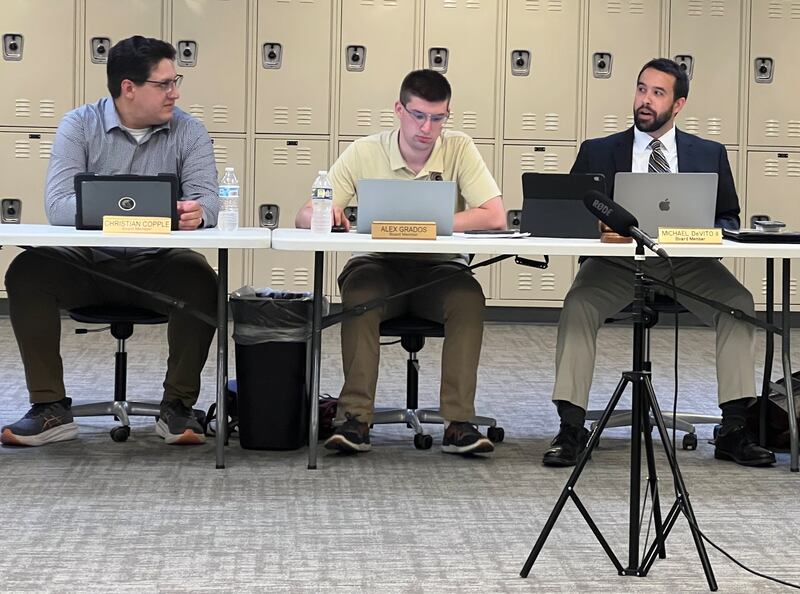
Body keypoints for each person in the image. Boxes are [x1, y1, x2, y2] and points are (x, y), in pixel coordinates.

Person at [542, 58, 775, 468]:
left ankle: (734, 429)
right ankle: (571, 427)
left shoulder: (708, 153)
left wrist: (703, 232)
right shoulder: (598, 151)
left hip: (684, 263)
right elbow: (570, 213)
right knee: (578, 305)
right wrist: (598, 226)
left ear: (678, 103)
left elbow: (729, 218)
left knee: (738, 304)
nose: (645, 100)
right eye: (641, 89)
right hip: (617, 262)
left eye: (657, 93)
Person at [0, 36, 219, 447]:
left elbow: (208, 199)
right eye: (164, 84)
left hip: (158, 265)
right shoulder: (78, 125)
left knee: (201, 279)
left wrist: (200, 213)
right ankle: (49, 408)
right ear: (128, 88)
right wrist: (140, 216)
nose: (176, 92)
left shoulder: (189, 130)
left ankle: (177, 408)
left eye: (177, 81)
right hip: (87, 264)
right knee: (27, 272)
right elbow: (59, 206)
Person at [295, 69, 506, 455]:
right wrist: (330, 216)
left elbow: (494, 215)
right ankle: (355, 419)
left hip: (440, 270)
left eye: (438, 118)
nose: (427, 128)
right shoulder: (365, 150)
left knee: (468, 298)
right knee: (359, 294)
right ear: (399, 110)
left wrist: (429, 228)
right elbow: (305, 215)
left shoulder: (459, 148)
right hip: (378, 265)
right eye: (419, 115)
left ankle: (459, 423)